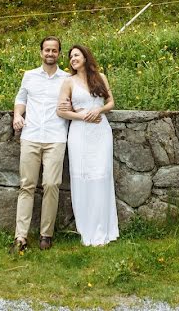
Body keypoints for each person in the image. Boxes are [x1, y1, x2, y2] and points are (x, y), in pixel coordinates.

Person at [11, 36, 70, 252]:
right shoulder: (29, 76)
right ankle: (21, 237)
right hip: (31, 136)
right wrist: (17, 115)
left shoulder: (67, 79)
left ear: (59, 54)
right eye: (47, 50)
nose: (50, 54)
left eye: (54, 50)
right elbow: (20, 99)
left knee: (52, 185)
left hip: (56, 137)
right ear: (41, 52)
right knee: (26, 185)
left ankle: (47, 234)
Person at [57, 44, 118, 246]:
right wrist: (82, 115)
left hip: (101, 132)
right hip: (80, 132)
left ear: (85, 57)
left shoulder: (100, 77)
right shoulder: (68, 82)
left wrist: (98, 111)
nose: (73, 59)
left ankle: (103, 229)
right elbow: (61, 111)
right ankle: (86, 229)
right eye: (70, 56)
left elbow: (110, 103)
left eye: (76, 55)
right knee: (83, 177)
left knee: (101, 176)